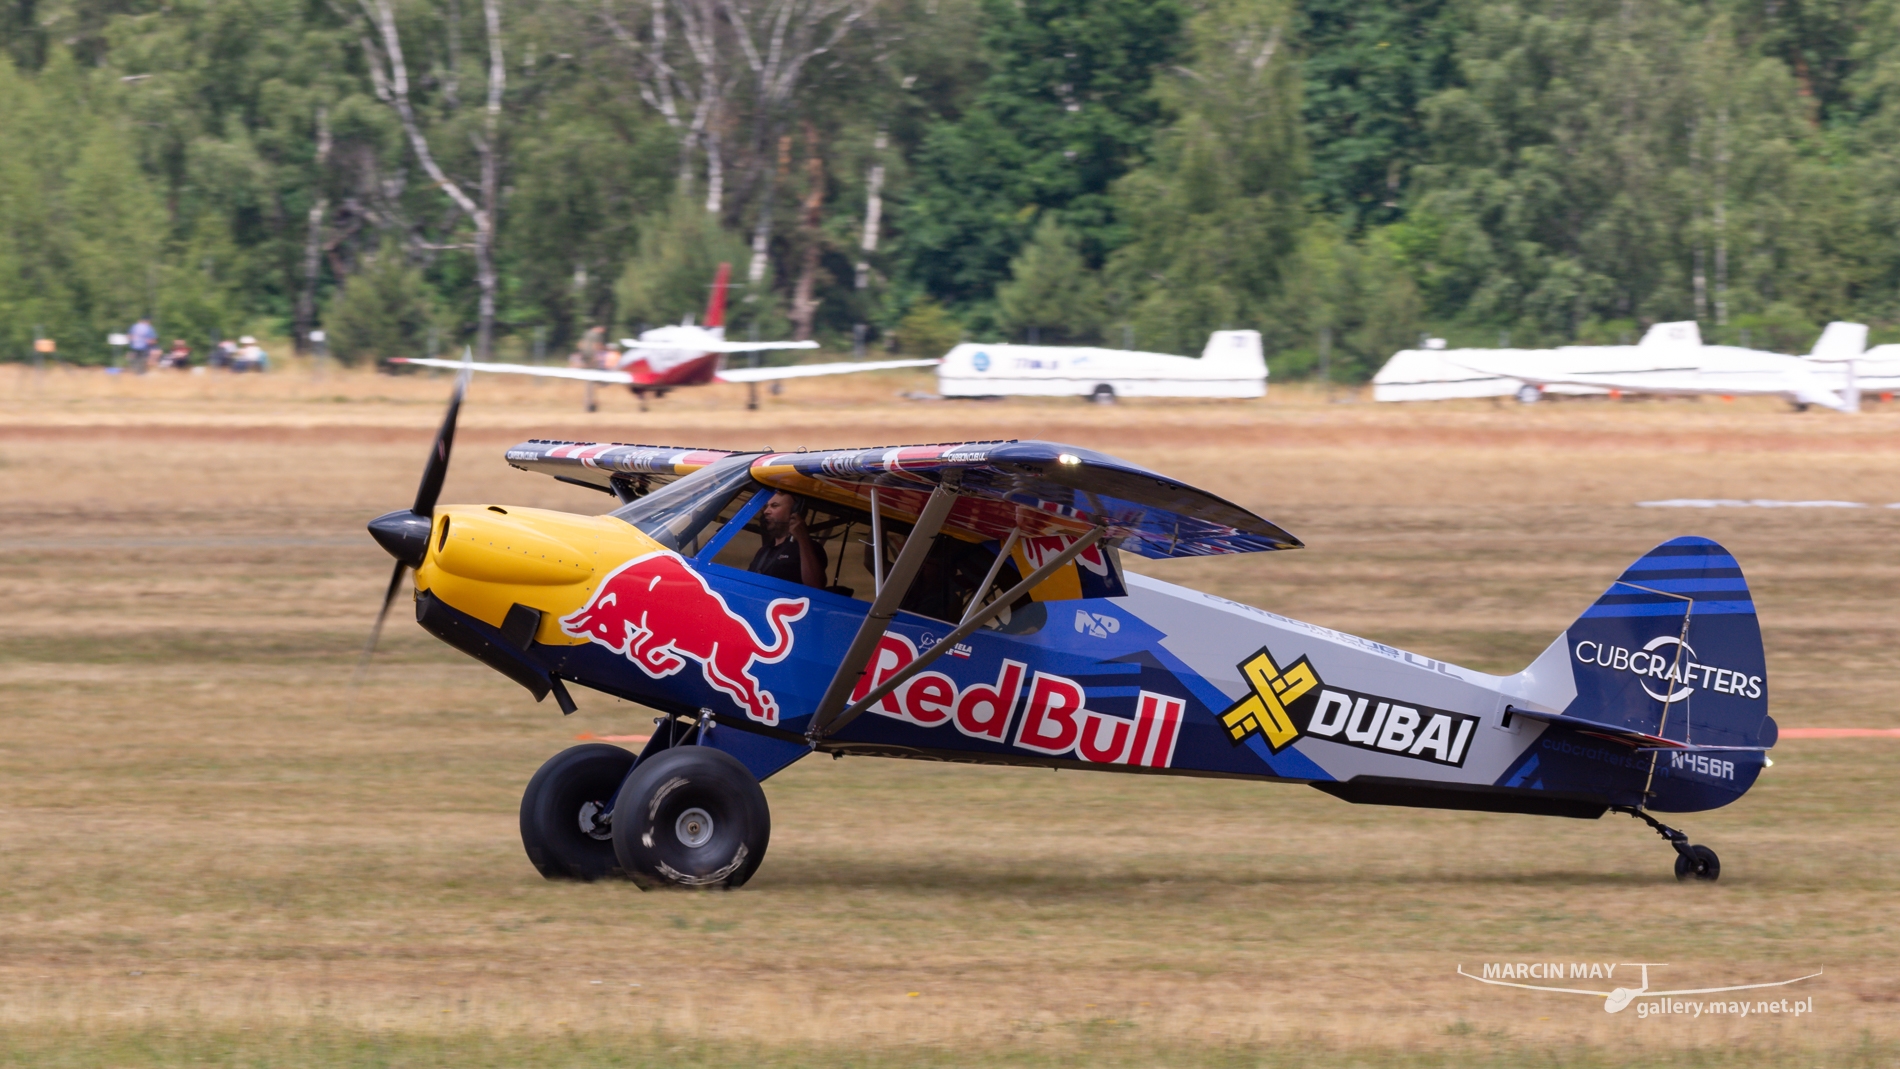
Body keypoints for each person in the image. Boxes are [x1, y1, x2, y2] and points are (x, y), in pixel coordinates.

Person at [748, 491, 828, 588]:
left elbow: (816, 587)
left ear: (794, 511)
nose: (766, 511)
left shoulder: (810, 548)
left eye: (774, 505)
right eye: (767, 506)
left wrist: (803, 540)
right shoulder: (764, 551)